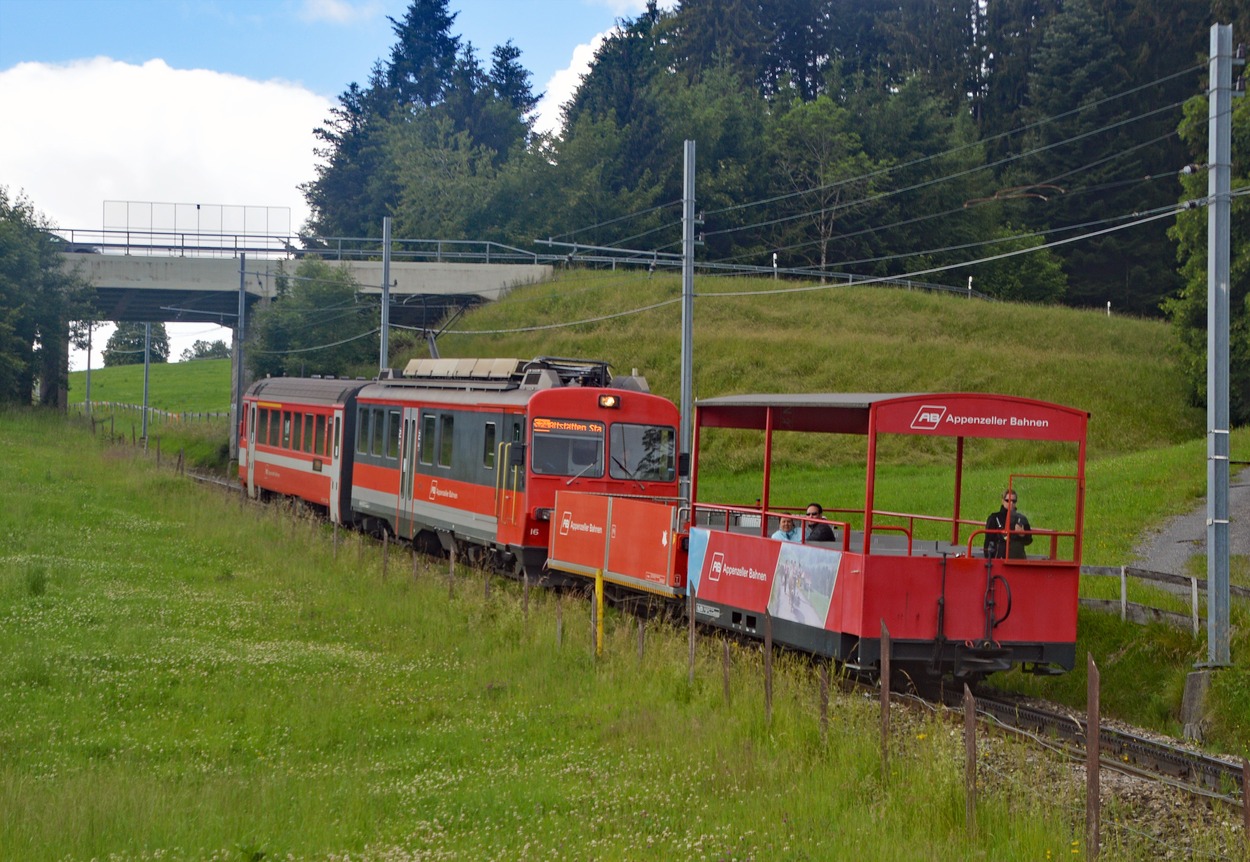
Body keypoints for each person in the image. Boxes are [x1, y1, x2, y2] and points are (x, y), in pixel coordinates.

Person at [984, 489, 1032, 559]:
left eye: (1014, 501)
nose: (1011, 503)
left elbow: (1029, 540)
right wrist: (989, 560)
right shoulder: (994, 518)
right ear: (1003, 501)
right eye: (1008, 500)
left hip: (1017, 560)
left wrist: (1023, 534)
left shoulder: (1022, 519)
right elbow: (988, 541)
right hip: (999, 560)